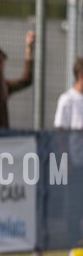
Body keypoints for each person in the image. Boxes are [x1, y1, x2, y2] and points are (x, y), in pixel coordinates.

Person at [54, 57, 83, 244]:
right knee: (74, 202)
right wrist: (66, 161)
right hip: (75, 161)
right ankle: (73, 241)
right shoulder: (67, 99)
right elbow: (59, 132)